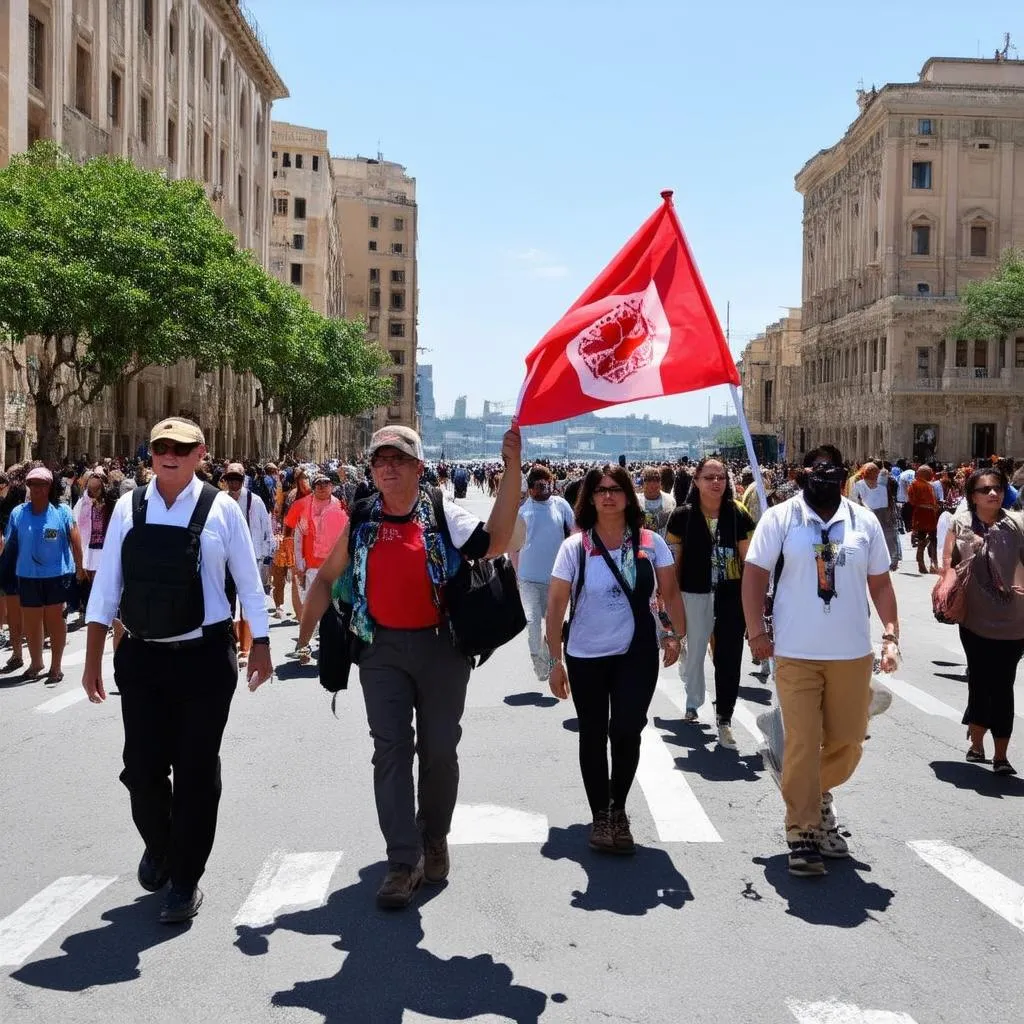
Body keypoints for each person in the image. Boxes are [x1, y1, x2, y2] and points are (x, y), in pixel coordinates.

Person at [291, 423, 522, 909]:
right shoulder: (362, 519)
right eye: (379, 460)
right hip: (381, 653)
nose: (388, 467)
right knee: (391, 749)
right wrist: (303, 639)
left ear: (419, 468)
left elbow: (497, 540)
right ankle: (402, 859)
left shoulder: (442, 512)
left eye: (398, 459)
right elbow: (327, 579)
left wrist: (511, 467)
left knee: (439, 750)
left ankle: (433, 836)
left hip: (442, 648)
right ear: (371, 470)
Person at [82, 418, 273, 924]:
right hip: (142, 658)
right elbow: (106, 589)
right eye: (161, 446)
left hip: (204, 660)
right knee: (141, 769)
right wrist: (92, 658)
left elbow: (249, 583)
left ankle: (184, 879)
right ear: (150, 453)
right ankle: (160, 845)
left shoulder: (222, 508)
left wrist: (262, 645)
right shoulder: (129, 505)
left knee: (194, 772)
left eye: (181, 448)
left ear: (199, 453)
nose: (170, 455)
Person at [741, 445, 899, 877]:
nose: (825, 475)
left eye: (834, 469)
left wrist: (890, 634)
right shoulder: (781, 518)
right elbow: (754, 575)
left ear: (845, 475)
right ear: (802, 474)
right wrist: (756, 632)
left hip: (851, 653)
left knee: (849, 742)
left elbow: (881, 584)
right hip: (795, 653)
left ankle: (807, 788)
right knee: (805, 742)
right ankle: (802, 831)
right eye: (817, 468)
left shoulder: (862, 521)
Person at [544, 465, 686, 854]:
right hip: (586, 654)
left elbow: (670, 593)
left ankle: (618, 807)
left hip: (636, 652)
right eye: (601, 490)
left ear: (628, 495)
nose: (608, 496)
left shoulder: (649, 542)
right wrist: (554, 662)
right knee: (592, 733)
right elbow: (556, 604)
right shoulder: (575, 547)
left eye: (616, 489)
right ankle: (601, 816)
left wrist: (675, 634)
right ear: (590, 498)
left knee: (627, 728)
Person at [665, 456, 755, 747]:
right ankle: (693, 701)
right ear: (696, 481)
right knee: (695, 650)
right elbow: (673, 561)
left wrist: (754, 600)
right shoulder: (682, 515)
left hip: (731, 595)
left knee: (728, 657)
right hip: (694, 592)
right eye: (709, 477)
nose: (716, 482)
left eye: (721, 477)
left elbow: (748, 560)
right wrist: (670, 596)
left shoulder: (738, 514)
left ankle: (724, 717)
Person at [942, 466, 1024, 775]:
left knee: (1004, 683)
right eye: (985, 489)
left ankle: (1001, 755)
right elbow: (948, 565)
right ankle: (977, 744)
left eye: (998, 488)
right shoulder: (960, 524)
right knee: (979, 679)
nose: (993, 493)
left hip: (1014, 619)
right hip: (975, 618)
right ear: (972, 496)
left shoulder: (1018, 524)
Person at [3, 466, 85, 683]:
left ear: (50, 486)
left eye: (41, 484)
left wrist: (79, 567)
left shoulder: (62, 511)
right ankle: (36, 662)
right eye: (31, 484)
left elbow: (75, 539)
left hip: (57, 576)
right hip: (27, 576)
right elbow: (9, 545)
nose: (36, 489)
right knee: (31, 622)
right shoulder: (19, 512)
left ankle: (56, 666)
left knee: (55, 620)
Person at [517, 464, 575, 681]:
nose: (545, 488)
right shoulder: (523, 511)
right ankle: (538, 660)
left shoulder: (561, 506)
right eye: (539, 485)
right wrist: (516, 574)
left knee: (554, 629)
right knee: (532, 622)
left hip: (556, 581)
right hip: (528, 580)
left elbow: (576, 532)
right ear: (530, 489)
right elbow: (514, 548)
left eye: (547, 483)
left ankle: (552, 663)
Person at [221, 463, 274, 669]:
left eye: (238, 479)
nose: (234, 483)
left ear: (243, 481)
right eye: (230, 479)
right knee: (227, 603)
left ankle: (246, 647)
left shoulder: (255, 501)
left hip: (251, 558)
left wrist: (268, 557)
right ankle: (230, 642)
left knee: (248, 604)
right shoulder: (220, 501)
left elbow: (266, 528)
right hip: (224, 560)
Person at [72, 467, 118, 629]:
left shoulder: (110, 503)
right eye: (91, 488)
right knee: (88, 579)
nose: (94, 491)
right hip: (88, 547)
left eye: (96, 488)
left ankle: (105, 612)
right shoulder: (83, 502)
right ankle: (89, 610)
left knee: (102, 580)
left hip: (104, 547)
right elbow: (75, 521)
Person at [851, 462, 900, 571]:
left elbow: (854, 500)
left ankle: (881, 560)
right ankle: (887, 560)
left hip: (874, 513)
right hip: (876, 513)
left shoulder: (864, 484)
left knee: (876, 538)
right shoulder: (879, 484)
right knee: (883, 538)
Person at [908, 465, 940, 574]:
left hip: (923, 513)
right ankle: (931, 563)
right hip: (927, 514)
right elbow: (913, 500)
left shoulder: (919, 484)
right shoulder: (917, 484)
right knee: (932, 538)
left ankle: (923, 563)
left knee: (924, 537)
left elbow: (912, 501)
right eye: (929, 472)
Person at [638, 466, 676, 536]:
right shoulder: (636, 501)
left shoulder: (670, 500)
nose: (653, 484)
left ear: (661, 482)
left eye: (657, 479)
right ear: (643, 483)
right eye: (648, 480)